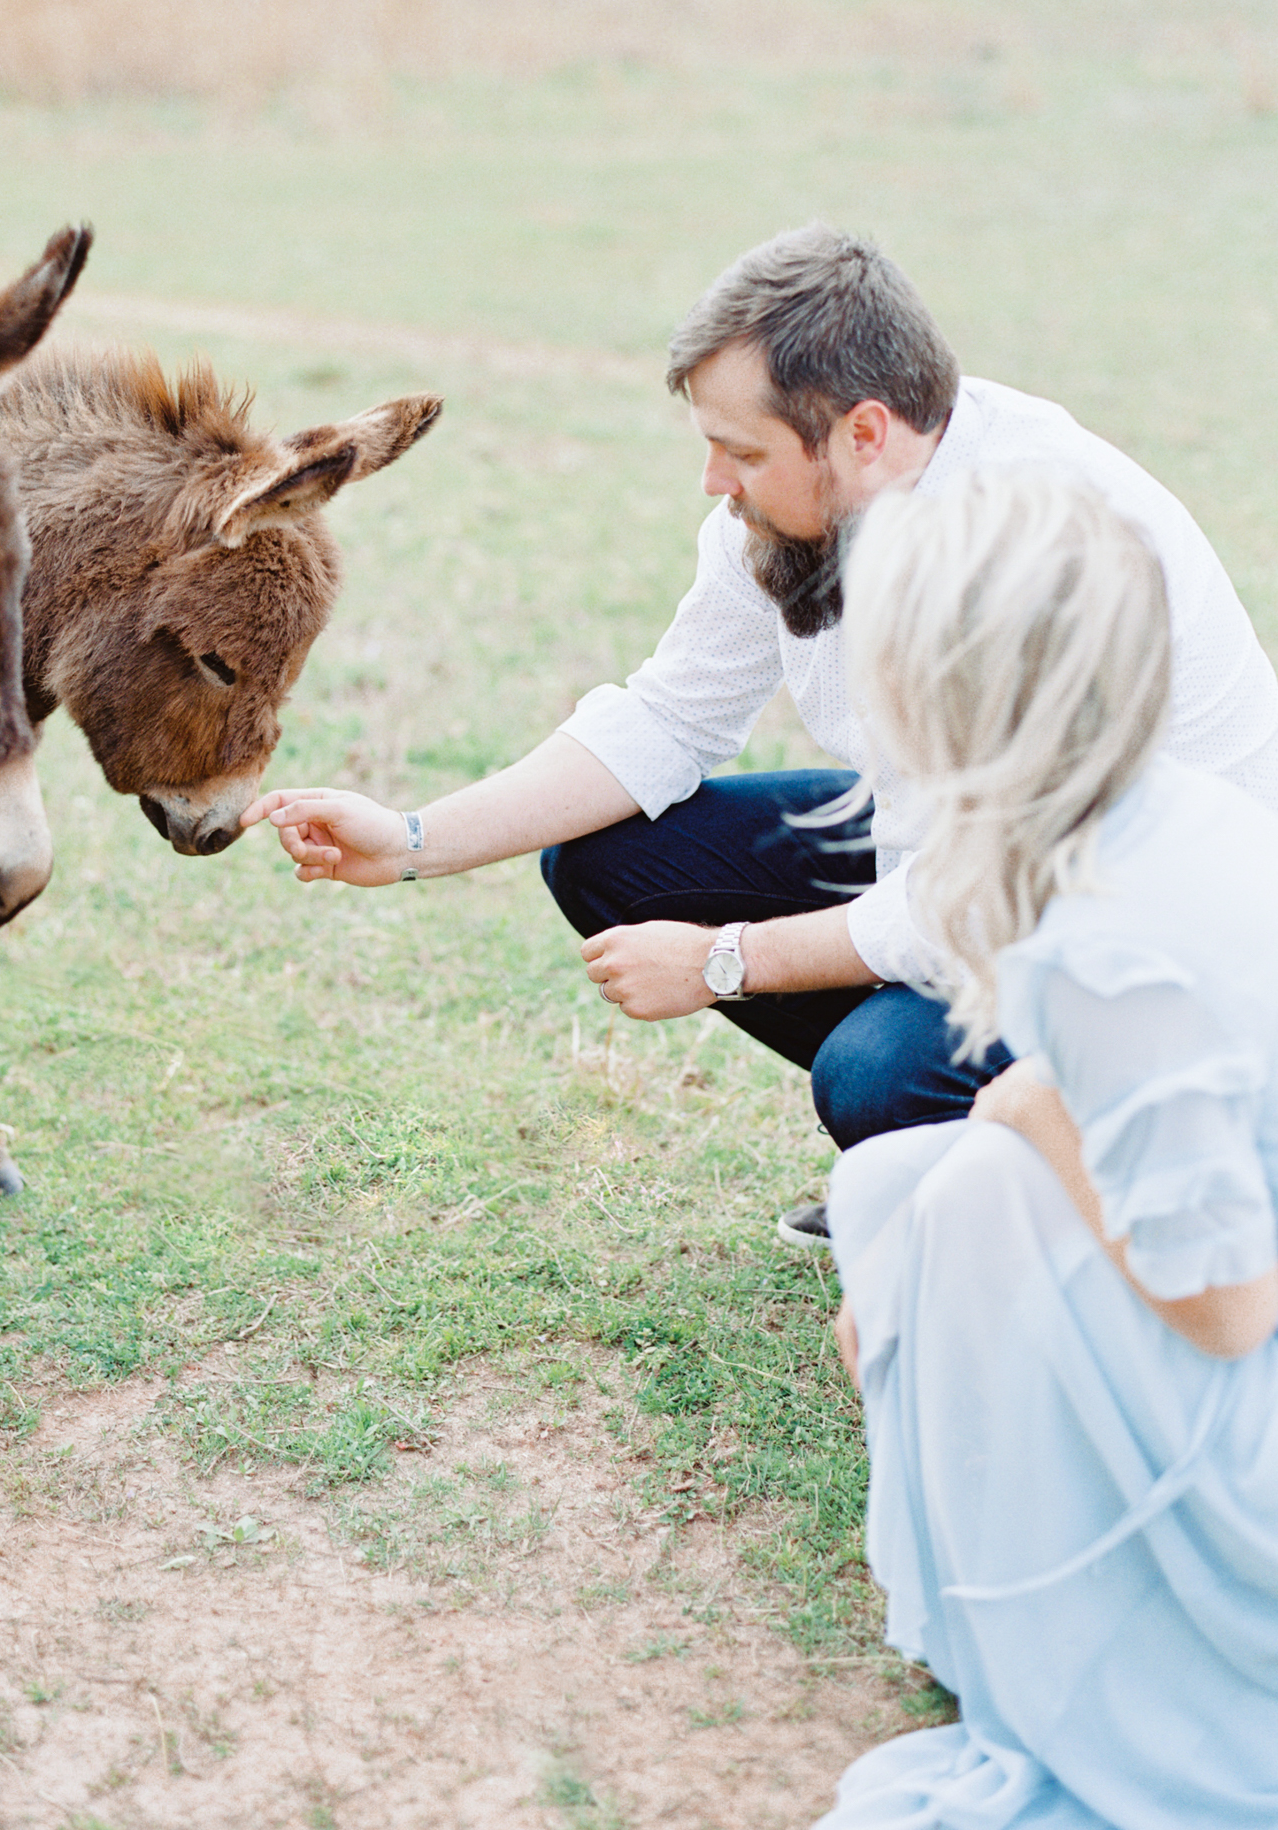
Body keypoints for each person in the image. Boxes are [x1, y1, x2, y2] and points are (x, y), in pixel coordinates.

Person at [240, 226, 1278, 1242]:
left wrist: (725, 960)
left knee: (877, 1072)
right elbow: (667, 716)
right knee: (615, 859)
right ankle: (939, 1155)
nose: (713, 482)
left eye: (741, 451)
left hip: (1145, 945)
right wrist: (417, 840)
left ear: (863, 433)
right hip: (964, 861)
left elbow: (979, 899)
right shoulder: (800, 510)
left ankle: (1050, 1185)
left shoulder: (1035, 543)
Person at [819, 469, 1278, 1828]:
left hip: (1247, 1394)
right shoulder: (1166, 804)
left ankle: (1082, 1629)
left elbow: (1225, 1299)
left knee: (963, 1197)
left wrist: (1020, 1119)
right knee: (890, 1180)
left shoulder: (1107, 940)